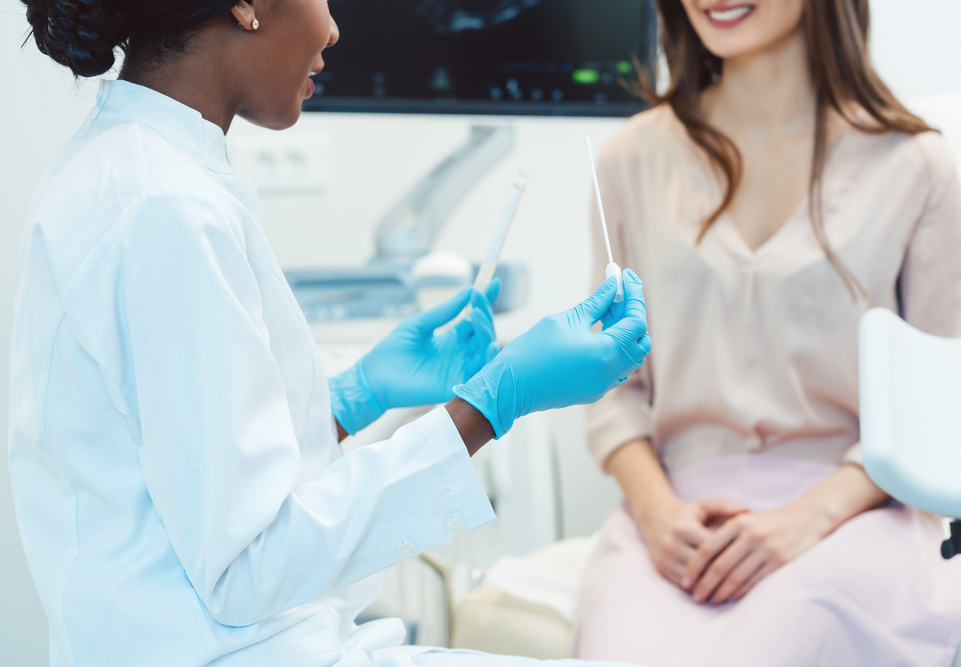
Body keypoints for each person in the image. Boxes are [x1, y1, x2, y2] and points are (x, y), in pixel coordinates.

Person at [8, 1, 652, 666]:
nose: (336, 29)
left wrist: (351, 397)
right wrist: (492, 404)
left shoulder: (142, 169)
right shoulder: (164, 208)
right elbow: (245, 567)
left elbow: (197, 466)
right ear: (246, 6)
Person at [573, 1, 961, 666]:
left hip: (854, 518)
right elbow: (612, 389)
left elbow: (940, 413)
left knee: (777, 635)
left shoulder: (915, 165)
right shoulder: (629, 160)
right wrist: (656, 513)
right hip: (677, 526)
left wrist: (808, 520)